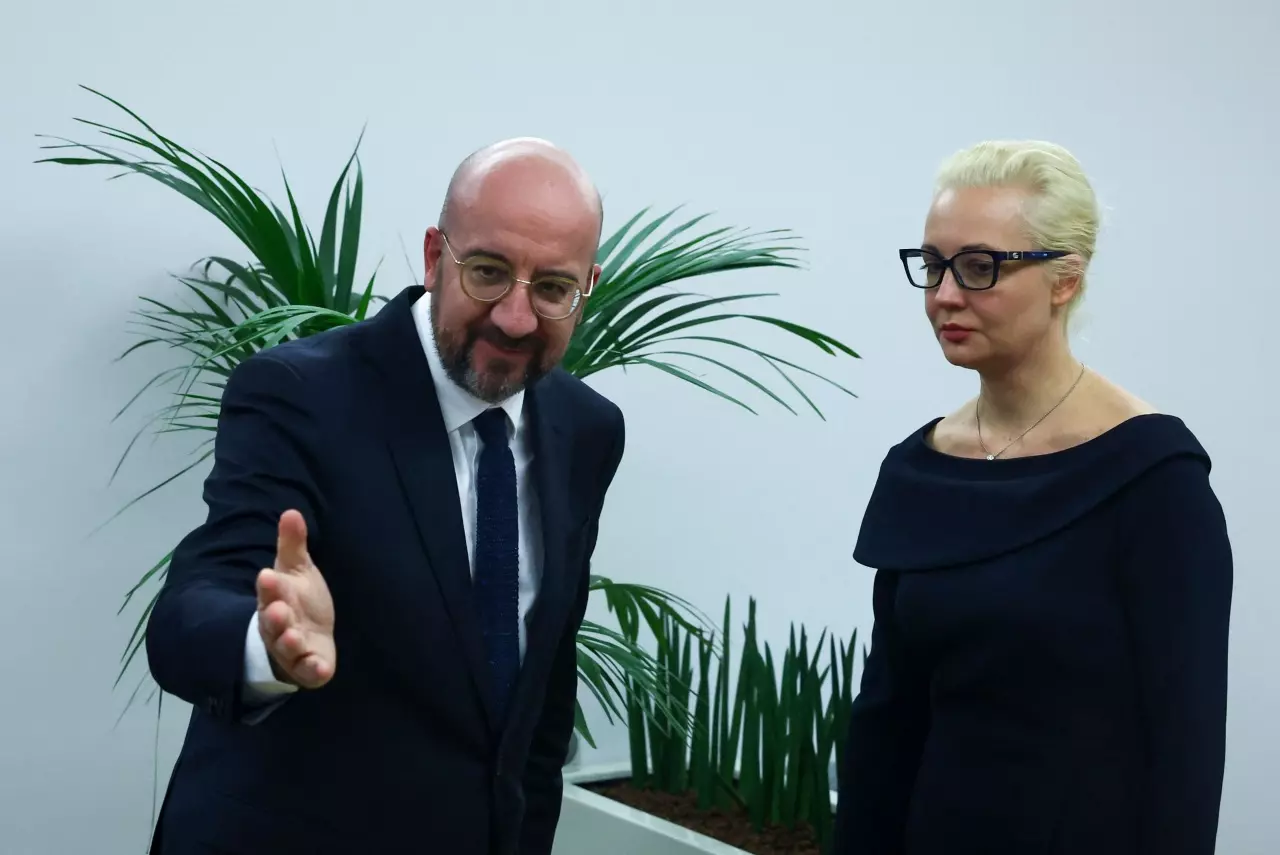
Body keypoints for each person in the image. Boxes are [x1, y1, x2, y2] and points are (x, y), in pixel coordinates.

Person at [144, 138, 626, 855]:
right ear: (435, 257)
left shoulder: (588, 429)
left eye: (552, 288)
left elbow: (541, 696)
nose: (516, 317)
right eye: (488, 272)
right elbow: (192, 607)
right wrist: (267, 645)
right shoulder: (300, 393)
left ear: (586, 286)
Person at [832, 140, 1232, 855]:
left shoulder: (1152, 478)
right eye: (932, 265)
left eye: (979, 267)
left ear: (1064, 280)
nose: (945, 295)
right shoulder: (920, 467)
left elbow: (1185, 751)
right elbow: (886, 722)